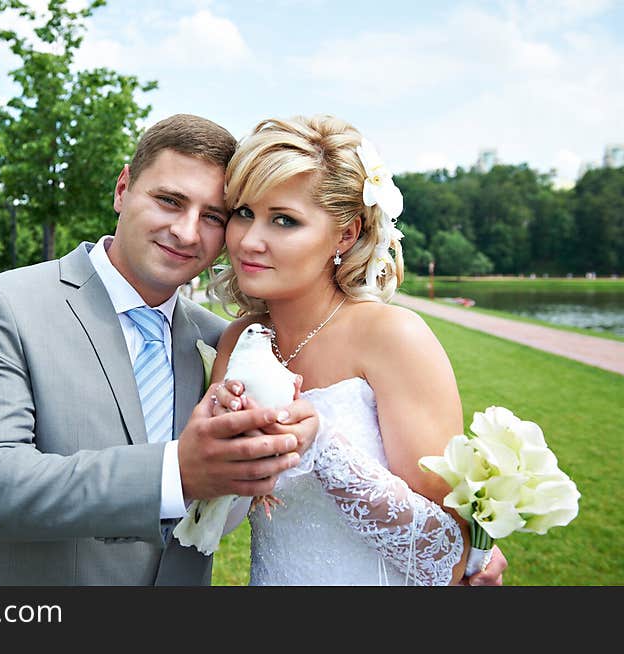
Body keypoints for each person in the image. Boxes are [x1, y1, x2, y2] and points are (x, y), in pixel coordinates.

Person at [0, 114, 319, 586]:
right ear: (123, 188)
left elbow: (219, 508)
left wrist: (265, 451)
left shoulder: (221, 342)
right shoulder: (7, 305)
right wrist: (175, 472)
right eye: (169, 201)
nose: (185, 231)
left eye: (212, 217)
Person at [208, 114, 507, 585]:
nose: (249, 239)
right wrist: (217, 446)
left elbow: (447, 555)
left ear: (346, 235)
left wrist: (321, 447)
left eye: (284, 220)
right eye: (243, 212)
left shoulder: (393, 337)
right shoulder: (238, 341)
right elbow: (215, 514)